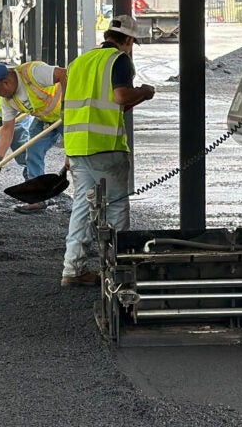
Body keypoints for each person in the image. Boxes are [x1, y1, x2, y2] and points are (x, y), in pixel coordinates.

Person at [60, 15, 155, 286]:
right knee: (116, 206)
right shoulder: (119, 60)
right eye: (132, 43)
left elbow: (79, 106)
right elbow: (120, 96)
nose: (131, 48)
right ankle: (118, 271)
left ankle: (73, 269)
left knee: (82, 207)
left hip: (77, 146)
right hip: (106, 147)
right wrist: (144, 92)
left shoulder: (79, 62)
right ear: (128, 40)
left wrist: (67, 151)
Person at [0, 60, 65, 214]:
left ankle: (85, 197)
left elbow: (64, 74)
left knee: (76, 157)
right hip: (44, 119)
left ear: (6, 83)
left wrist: (67, 104)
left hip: (68, 115)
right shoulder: (7, 101)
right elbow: (7, 129)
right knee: (32, 152)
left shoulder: (32, 73)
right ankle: (37, 199)